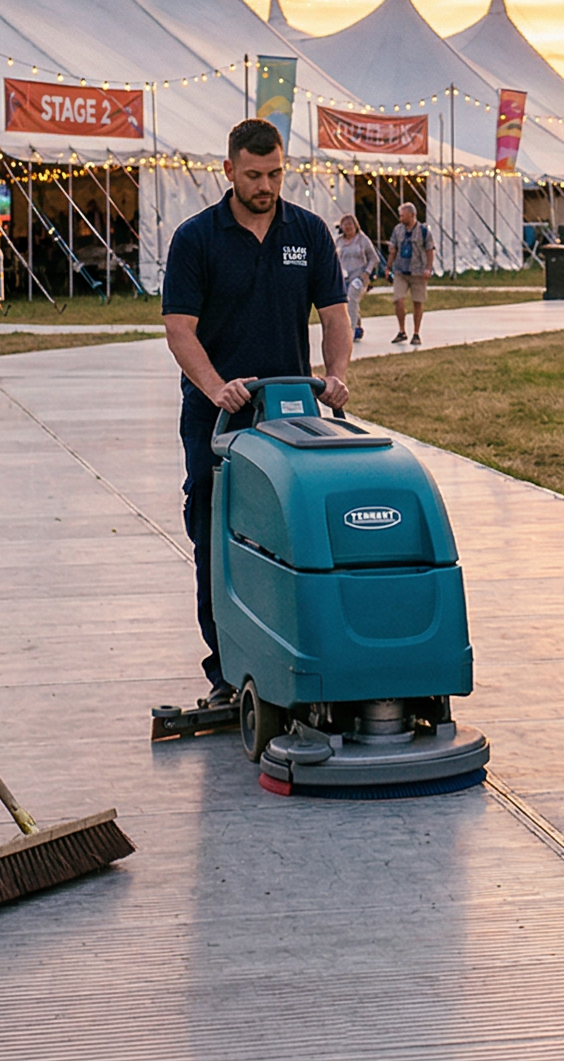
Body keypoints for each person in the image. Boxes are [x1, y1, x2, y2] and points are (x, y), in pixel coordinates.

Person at [162, 121, 352, 702]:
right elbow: (179, 330)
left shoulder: (309, 232)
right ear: (229, 171)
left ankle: (290, 658)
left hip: (291, 416)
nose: (266, 185)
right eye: (253, 175)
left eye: (274, 174)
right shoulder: (197, 238)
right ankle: (226, 669)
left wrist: (338, 375)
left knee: (290, 537)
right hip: (217, 419)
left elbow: (336, 315)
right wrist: (217, 387)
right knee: (216, 536)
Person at [388, 201, 434, 346]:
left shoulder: (423, 231)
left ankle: (416, 332)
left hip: (418, 271)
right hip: (401, 271)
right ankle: (402, 331)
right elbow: (393, 249)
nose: (400, 218)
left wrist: (428, 268)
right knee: (398, 300)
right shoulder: (398, 230)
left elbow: (430, 250)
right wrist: (388, 266)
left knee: (417, 302)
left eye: (403, 215)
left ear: (412, 215)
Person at [333, 212, 379, 342]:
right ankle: (357, 326)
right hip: (343, 276)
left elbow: (373, 258)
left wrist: (367, 272)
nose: (347, 227)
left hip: (358, 275)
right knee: (343, 303)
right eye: (345, 224)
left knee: (352, 298)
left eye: (350, 224)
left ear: (355, 225)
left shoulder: (362, 240)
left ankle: (351, 330)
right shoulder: (339, 241)